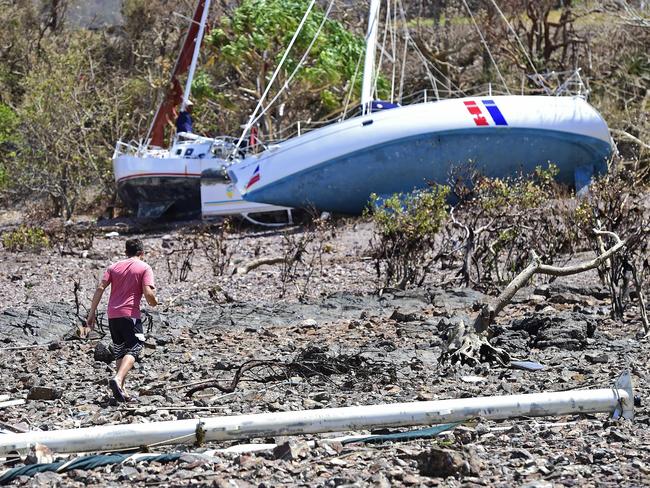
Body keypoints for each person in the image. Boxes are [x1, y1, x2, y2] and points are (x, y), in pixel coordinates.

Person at [85, 238, 158, 403]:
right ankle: (118, 379)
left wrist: (92, 313)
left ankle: (121, 390)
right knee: (135, 346)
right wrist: (154, 301)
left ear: (126, 252)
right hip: (130, 314)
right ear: (142, 253)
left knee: (120, 350)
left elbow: (100, 288)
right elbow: (148, 293)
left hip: (112, 315)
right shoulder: (145, 267)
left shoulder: (113, 267)